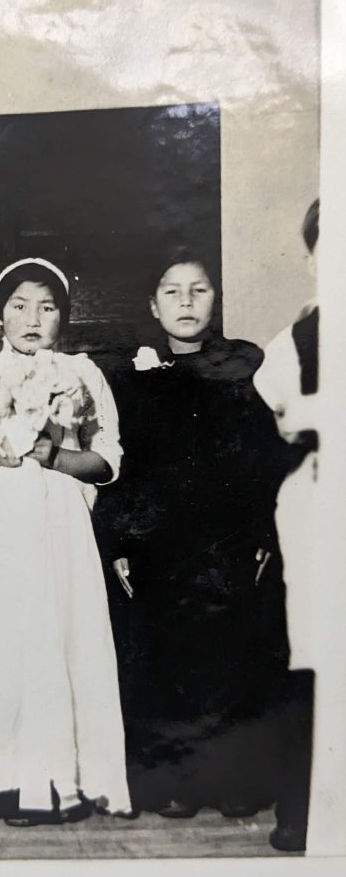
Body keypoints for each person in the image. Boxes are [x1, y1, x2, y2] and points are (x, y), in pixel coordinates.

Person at [0, 258, 131, 826]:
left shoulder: (83, 375)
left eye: (47, 307)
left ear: (63, 318)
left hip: (58, 519)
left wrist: (57, 456)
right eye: (19, 305)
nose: (32, 318)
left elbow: (107, 458)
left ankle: (64, 777)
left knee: (59, 632)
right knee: (0, 633)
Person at [95, 248, 290, 820]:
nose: (185, 301)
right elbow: (124, 469)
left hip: (229, 540)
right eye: (172, 291)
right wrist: (124, 543)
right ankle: (177, 781)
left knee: (231, 656)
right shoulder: (132, 378)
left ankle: (234, 780)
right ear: (154, 306)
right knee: (165, 658)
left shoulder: (245, 369)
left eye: (198, 289)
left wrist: (263, 533)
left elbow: (263, 458)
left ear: (215, 299)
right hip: (160, 540)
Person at [253, 200, 319, 852]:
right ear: (311, 260)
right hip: (317, 507)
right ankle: (299, 805)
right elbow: (273, 430)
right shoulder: (291, 344)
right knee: (310, 650)